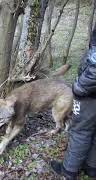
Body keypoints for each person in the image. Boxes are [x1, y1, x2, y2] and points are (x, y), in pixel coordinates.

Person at [50, 29, 96, 179]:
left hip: (89, 95)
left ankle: (68, 170)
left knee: (80, 131)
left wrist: (79, 87)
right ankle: (91, 167)